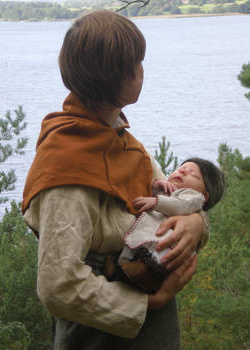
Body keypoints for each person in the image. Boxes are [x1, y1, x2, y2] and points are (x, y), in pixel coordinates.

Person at [22, 10, 209, 350]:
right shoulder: (68, 162)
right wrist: (146, 305)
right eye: (136, 63)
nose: (142, 69)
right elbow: (57, 284)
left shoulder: (120, 140)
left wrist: (196, 223)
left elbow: (174, 201)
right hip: (100, 336)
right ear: (117, 77)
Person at [118, 158, 225, 294]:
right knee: (134, 253)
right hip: (147, 242)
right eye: (180, 169)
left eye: (193, 175)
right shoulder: (168, 191)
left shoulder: (193, 198)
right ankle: (120, 269)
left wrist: (157, 201)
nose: (182, 171)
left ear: (204, 195)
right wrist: (156, 186)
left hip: (165, 248)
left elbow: (180, 205)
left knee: (159, 256)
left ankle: (140, 272)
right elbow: (144, 191)